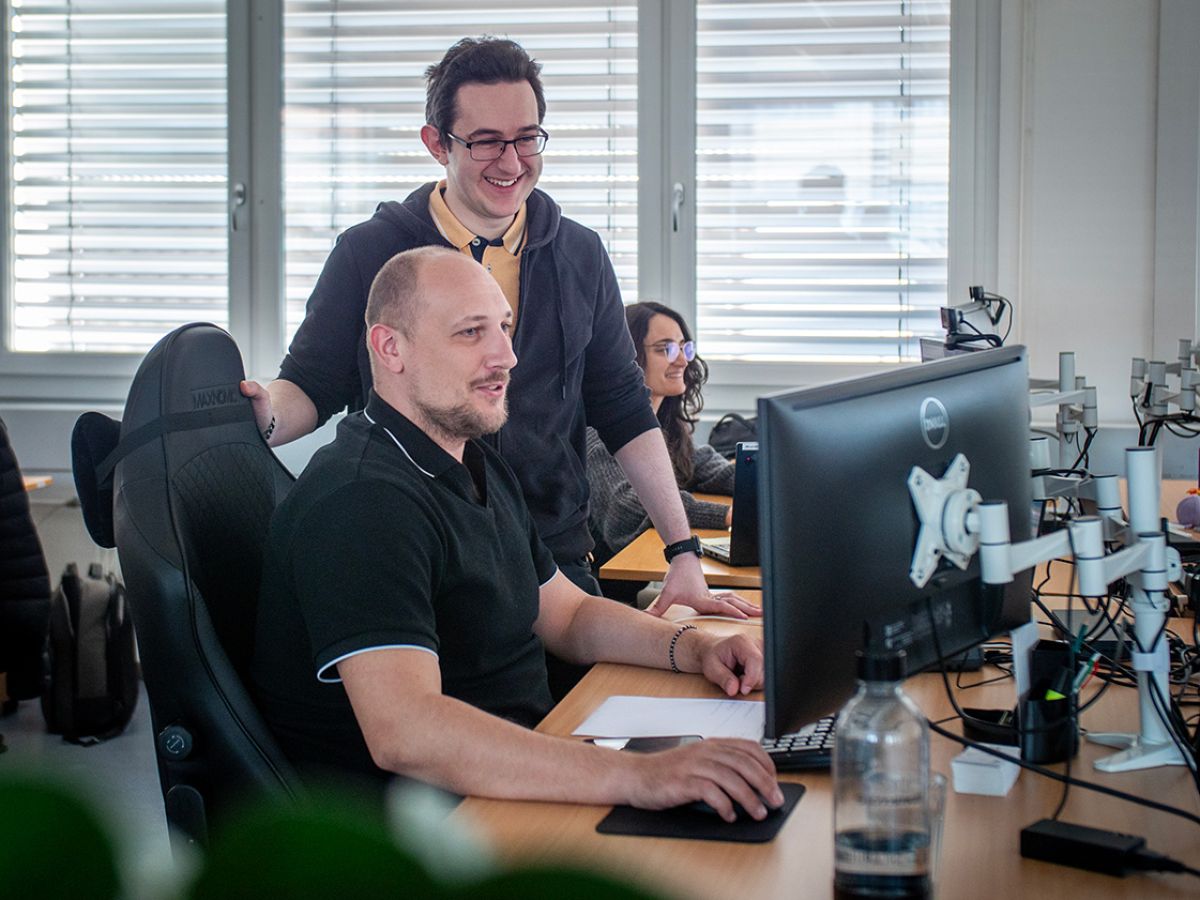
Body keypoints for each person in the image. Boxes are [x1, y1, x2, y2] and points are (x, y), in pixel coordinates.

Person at [249, 248, 782, 822]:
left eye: (503, 327)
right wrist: (639, 776)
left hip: (518, 766)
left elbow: (569, 616)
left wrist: (695, 648)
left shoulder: (474, 462)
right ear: (390, 348)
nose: (506, 356)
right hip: (435, 824)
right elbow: (407, 732)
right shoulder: (363, 500)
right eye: (470, 332)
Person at [239, 36, 757, 621]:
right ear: (437, 143)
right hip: (424, 555)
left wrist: (683, 553)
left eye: (526, 138)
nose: (511, 163)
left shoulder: (580, 255)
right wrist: (258, 416)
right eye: (485, 141)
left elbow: (622, 407)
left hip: (557, 558)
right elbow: (311, 383)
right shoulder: (370, 252)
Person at [587, 302, 736, 604]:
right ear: (626, 357)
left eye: (684, 347)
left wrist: (772, 474)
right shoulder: (597, 434)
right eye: (665, 349)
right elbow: (630, 506)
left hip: (636, 594)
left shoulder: (666, 426)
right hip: (602, 601)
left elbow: (711, 468)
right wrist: (728, 516)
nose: (681, 360)